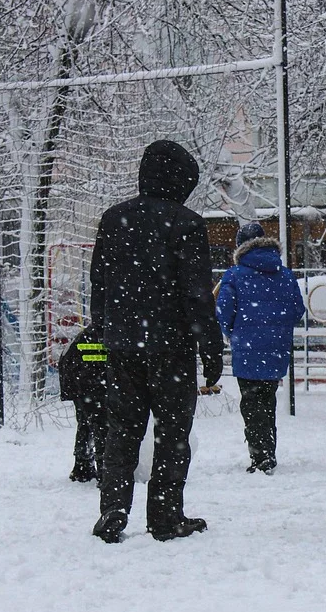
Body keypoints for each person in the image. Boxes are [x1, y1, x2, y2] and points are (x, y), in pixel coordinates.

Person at [88, 139, 224, 543]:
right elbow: (197, 294)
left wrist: (106, 330)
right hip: (171, 347)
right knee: (172, 433)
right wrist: (211, 347)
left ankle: (113, 509)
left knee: (122, 430)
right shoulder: (187, 224)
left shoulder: (114, 219)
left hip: (123, 345)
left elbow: (99, 283)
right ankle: (165, 516)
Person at [215, 222, 305, 475]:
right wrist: (278, 329)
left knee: (251, 403)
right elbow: (297, 310)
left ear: (240, 247)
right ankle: (268, 451)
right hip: (276, 348)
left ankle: (260, 455)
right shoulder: (285, 274)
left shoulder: (234, 274)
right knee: (268, 400)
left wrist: (233, 331)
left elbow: (223, 311)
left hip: (246, 348)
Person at [57, 319, 108, 483]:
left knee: (87, 420)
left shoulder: (94, 331)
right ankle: (105, 473)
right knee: (101, 423)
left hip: (75, 370)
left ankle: (83, 466)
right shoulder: (114, 330)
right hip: (88, 373)